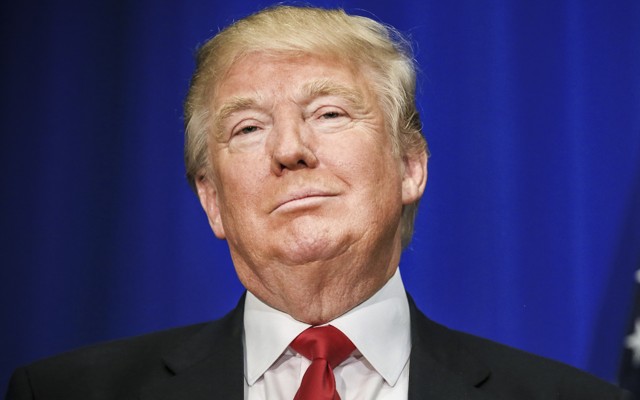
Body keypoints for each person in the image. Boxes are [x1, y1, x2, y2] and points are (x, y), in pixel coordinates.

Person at [5, 5, 632, 400]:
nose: (290, 149)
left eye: (329, 113)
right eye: (247, 127)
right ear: (212, 201)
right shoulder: (65, 392)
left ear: (411, 166)